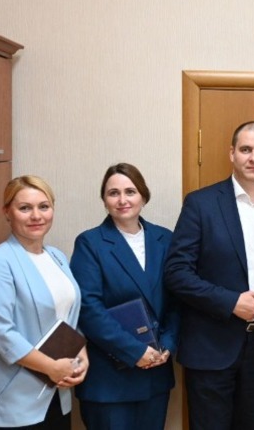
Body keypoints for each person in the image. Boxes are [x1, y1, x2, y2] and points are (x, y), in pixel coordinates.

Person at [164, 121, 254, 430]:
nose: (253, 157)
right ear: (232, 153)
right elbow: (176, 272)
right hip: (211, 345)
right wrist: (230, 302)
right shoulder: (201, 203)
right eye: (246, 149)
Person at [70, 163, 178, 430]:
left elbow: (177, 299)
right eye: (113, 193)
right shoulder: (90, 242)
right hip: (109, 380)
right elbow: (89, 309)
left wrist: (168, 344)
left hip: (155, 372)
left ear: (143, 196)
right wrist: (135, 351)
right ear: (104, 200)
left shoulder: (165, 239)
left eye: (130, 191)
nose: (122, 200)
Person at [0, 175, 89, 429]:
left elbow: (68, 316)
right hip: (18, 395)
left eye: (44, 206)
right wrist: (50, 367)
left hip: (58, 390)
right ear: (7, 212)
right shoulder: (1, 261)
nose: (36, 216)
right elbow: (1, 332)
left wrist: (81, 355)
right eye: (25, 208)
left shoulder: (57, 257)